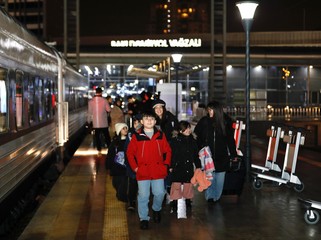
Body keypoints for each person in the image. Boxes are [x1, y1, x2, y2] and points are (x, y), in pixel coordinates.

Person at [126, 111, 172, 230]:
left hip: (158, 170)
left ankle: (156, 209)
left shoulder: (161, 135)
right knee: (143, 196)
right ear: (142, 122)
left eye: (152, 119)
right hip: (143, 171)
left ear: (155, 122)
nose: (149, 121)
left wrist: (166, 164)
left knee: (160, 193)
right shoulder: (136, 136)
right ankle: (144, 218)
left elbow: (168, 151)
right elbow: (130, 153)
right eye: (146, 119)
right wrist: (135, 167)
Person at [194, 101, 237, 204]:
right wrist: (200, 148)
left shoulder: (225, 122)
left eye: (211, 110)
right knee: (210, 179)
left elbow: (230, 140)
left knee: (219, 180)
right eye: (208, 110)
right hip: (208, 157)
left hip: (222, 156)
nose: (209, 112)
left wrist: (233, 154)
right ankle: (210, 198)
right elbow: (196, 135)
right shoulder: (204, 121)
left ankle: (216, 198)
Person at [169, 120, 201, 218]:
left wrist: (198, 166)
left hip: (188, 166)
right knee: (176, 184)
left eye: (189, 128)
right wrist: (170, 166)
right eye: (185, 129)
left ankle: (188, 200)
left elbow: (196, 155)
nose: (188, 130)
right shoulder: (175, 141)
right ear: (180, 130)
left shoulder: (193, 140)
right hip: (177, 165)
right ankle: (174, 201)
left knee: (188, 183)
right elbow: (171, 155)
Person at [105, 123, 129, 202]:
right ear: (119, 131)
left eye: (126, 128)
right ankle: (121, 195)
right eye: (123, 128)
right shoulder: (114, 143)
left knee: (123, 183)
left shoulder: (129, 141)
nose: (125, 130)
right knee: (116, 183)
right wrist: (108, 166)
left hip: (125, 167)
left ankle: (123, 197)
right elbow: (110, 155)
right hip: (116, 167)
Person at [124, 114, 142, 211]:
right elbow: (127, 150)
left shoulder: (146, 133)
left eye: (138, 123)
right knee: (133, 183)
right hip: (132, 165)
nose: (137, 125)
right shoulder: (130, 135)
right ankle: (132, 201)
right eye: (135, 123)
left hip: (143, 164)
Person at [87, 87, 111, 155]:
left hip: (96, 123)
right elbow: (109, 110)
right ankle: (109, 148)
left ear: (95, 92)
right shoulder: (104, 101)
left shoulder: (91, 101)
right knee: (107, 136)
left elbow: (89, 112)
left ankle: (99, 150)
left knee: (97, 136)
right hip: (104, 122)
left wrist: (88, 121)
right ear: (101, 92)